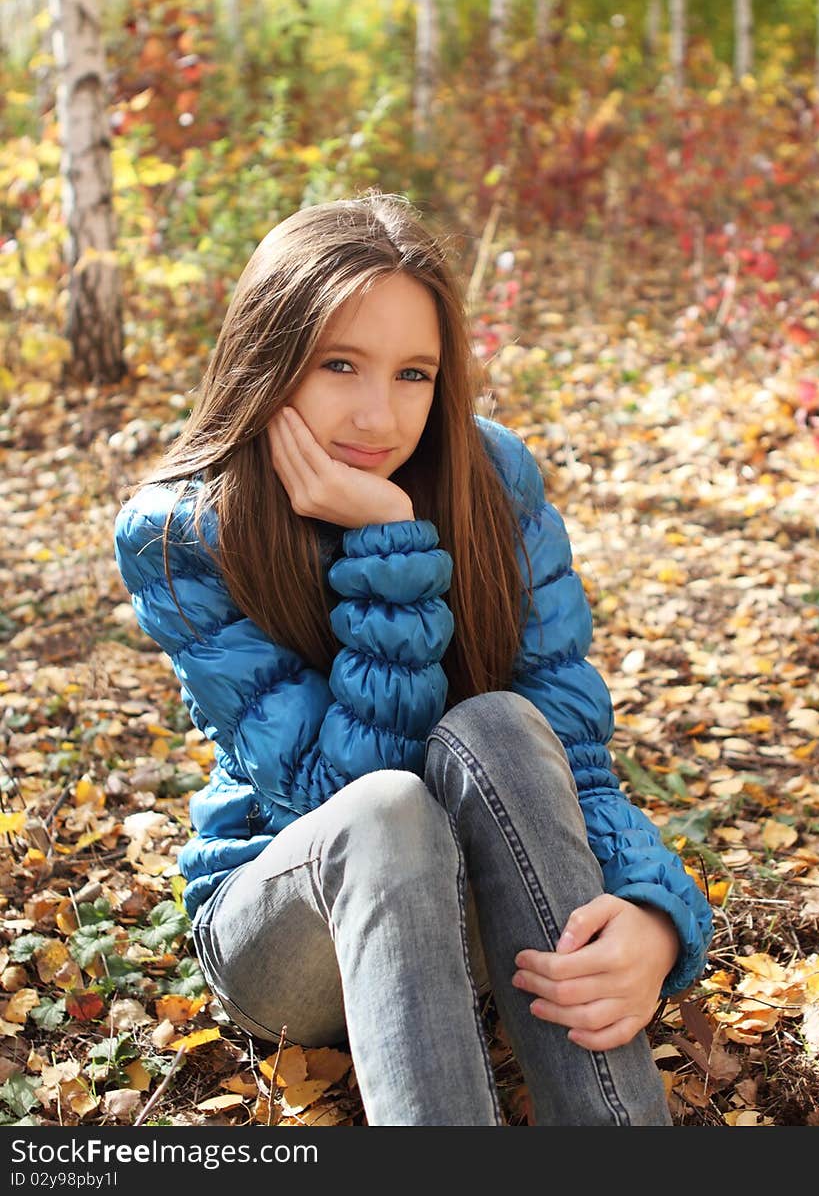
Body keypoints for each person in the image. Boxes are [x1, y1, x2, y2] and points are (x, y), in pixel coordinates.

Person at [114, 190, 713, 1127]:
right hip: (290, 934)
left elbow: (569, 758)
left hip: (478, 913)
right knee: (387, 808)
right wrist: (389, 544)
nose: (377, 416)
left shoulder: (492, 480)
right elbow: (332, 800)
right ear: (270, 359)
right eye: (339, 364)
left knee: (504, 722)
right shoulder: (181, 534)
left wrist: (652, 910)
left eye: (414, 375)